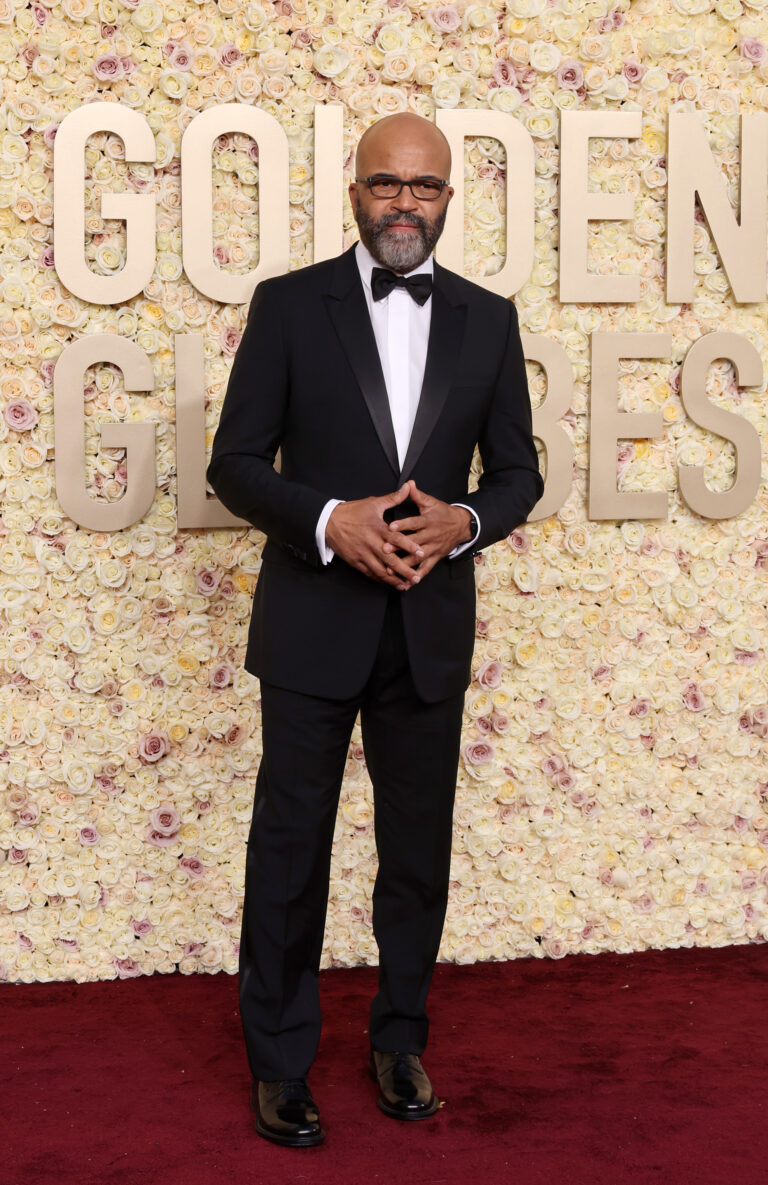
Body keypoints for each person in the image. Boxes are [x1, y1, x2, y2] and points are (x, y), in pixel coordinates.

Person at [206, 111, 544, 1148]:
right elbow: (233, 463)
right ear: (354, 192)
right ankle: (279, 1061)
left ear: (448, 199)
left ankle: (399, 1041)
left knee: (416, 855)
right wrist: (327, 521)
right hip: (311, 625)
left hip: (428, 630)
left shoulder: (489, 319)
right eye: (386, 184)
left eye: (424, 186)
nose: (405, 203)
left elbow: (519, 474)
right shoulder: (287, 305)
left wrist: (464, 522)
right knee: (290, 848)